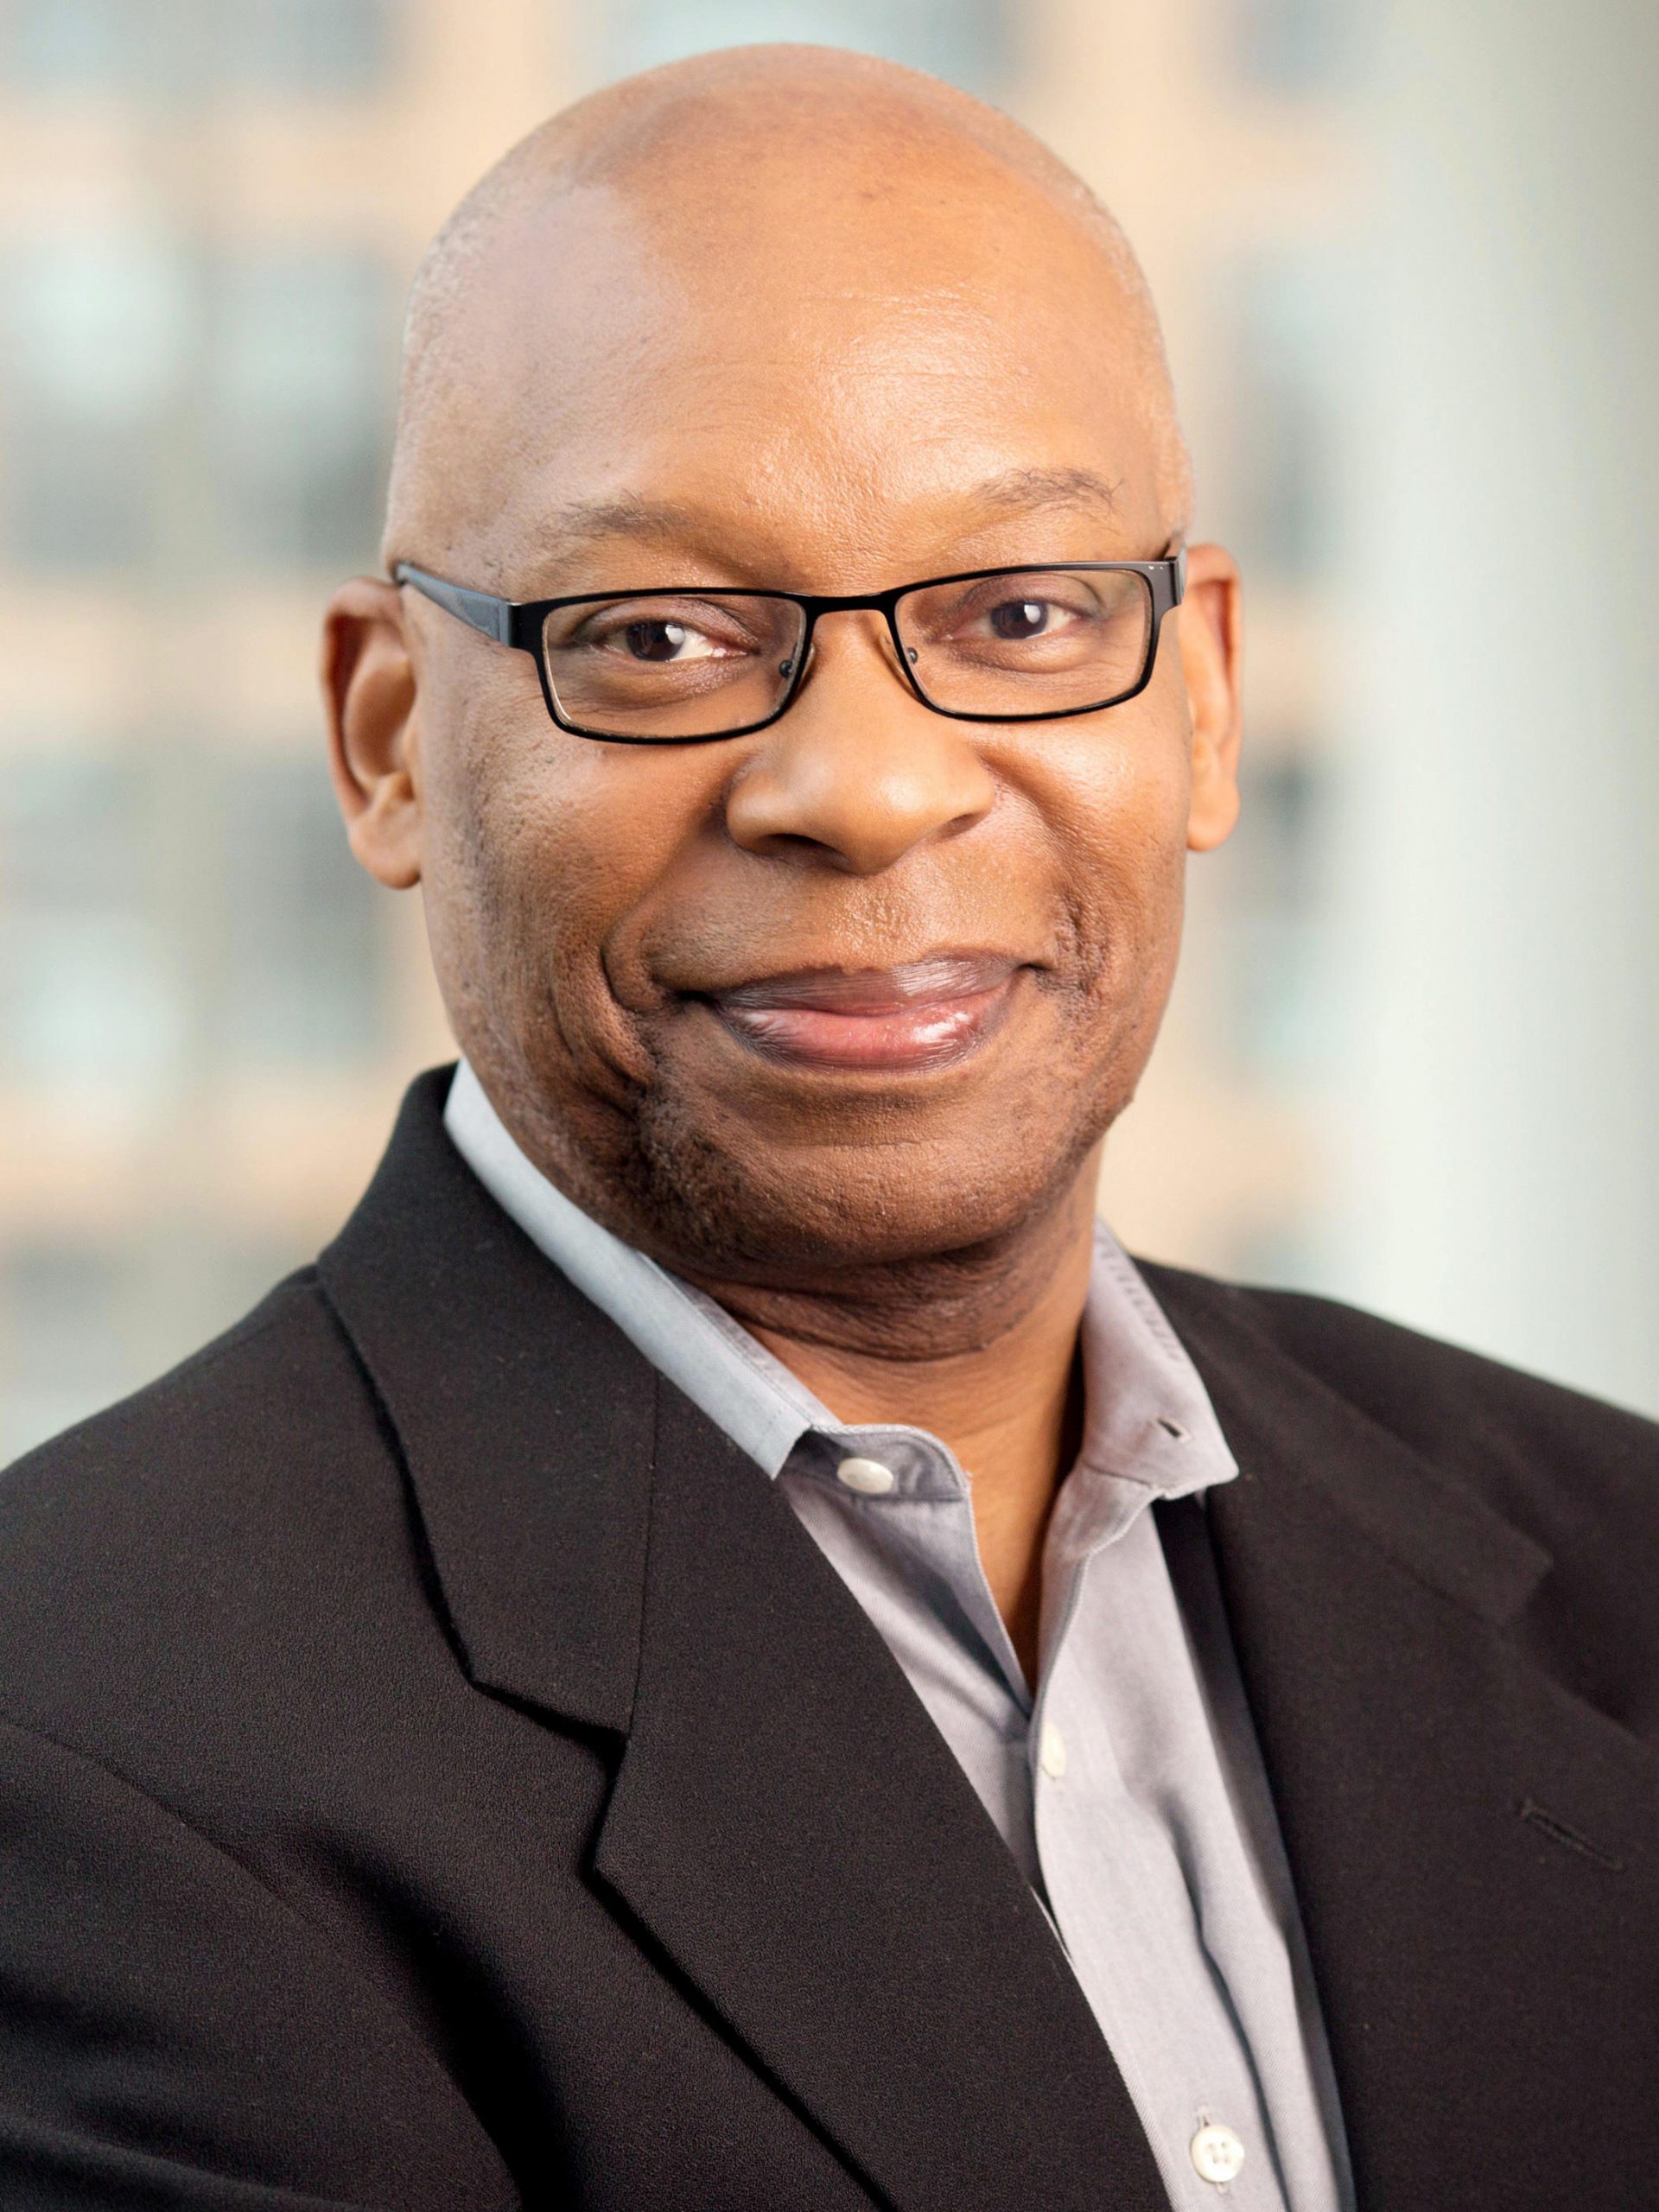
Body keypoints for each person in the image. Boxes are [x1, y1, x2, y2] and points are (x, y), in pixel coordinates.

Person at [1, 42, 1653, 2212]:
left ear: (1207, 696)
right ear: (389, 741)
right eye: (661, 635)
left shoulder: (1612, 1553)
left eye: (1024, 613)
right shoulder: (81, 1749)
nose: (869, 787)